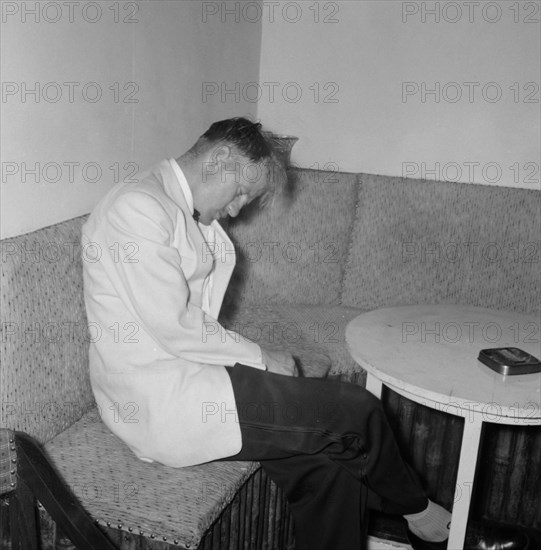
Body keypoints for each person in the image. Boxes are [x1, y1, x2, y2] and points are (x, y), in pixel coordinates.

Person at [82, 117, 525, 550]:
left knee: (331, 468)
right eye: (239, 191)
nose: (237, 209)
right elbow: (172, 324)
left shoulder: (171, 206)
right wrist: (261, 357)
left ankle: (401, 512)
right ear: (218, 157)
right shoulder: (138, 206)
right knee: (356, 409)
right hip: (158, 400)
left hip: (186, 375)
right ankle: (419, 512)